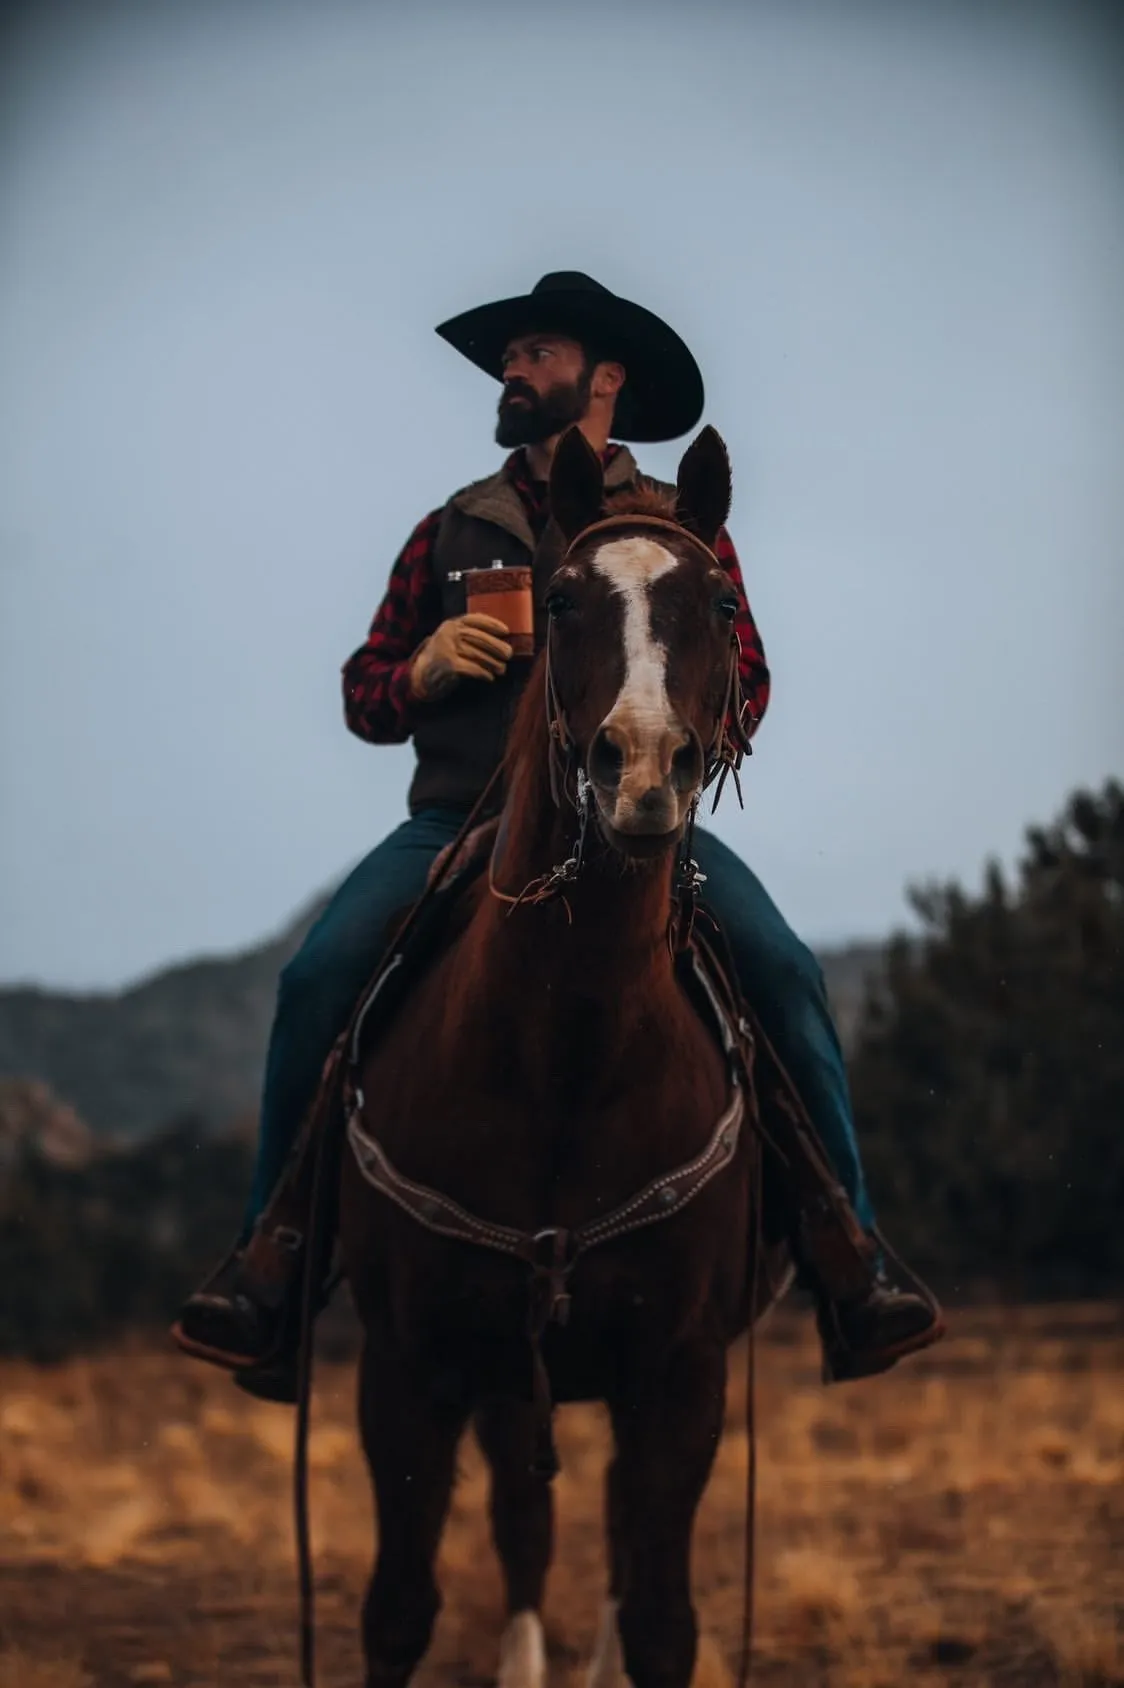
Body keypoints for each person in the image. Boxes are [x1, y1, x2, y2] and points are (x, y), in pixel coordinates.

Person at [173, 271, 943, 1395]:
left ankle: (848, 1253)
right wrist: (424, 668)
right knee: (316, 977)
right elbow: (364, 690)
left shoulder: (680, 529)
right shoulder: (449, 529)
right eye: (509, 356)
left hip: (639, 819)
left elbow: (749, 679)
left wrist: (671, 744)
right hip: (456, 816)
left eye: (534, 352)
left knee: (779, 967)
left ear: (603, 377)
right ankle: (273, 1262)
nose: (511, 372)